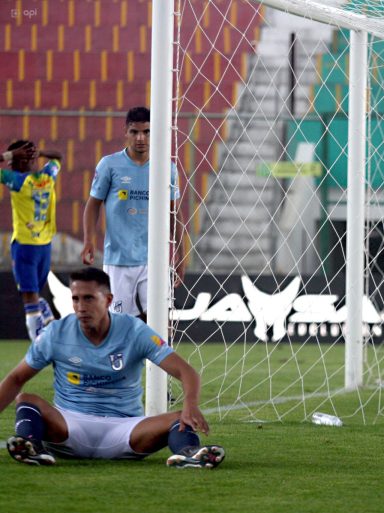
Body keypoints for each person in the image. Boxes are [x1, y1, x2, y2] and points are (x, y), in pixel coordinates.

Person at [0, 267, 224, 468]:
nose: (81, 307)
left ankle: (189, 454)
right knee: (26, 399)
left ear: (108, 300)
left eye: (89, 298)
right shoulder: (55, 333)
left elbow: (186, 371)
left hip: (126, 431)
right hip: (68, 426)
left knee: (177, 417)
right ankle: (30, 448)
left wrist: (190, 404)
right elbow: (16, 379)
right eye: (75, 299)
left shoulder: (135, 331)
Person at [80, 106, 185, 321]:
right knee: (117, 323)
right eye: (134, 132)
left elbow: (174, 212)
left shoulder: (167, 168)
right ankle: (123, 356)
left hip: (154, 260)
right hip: (119, 260)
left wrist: (181, 254)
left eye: (146, 132)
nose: (140, 138)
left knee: (158, 322)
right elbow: (93, 204)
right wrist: (88, 239)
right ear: (126, 132)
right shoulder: (110, 165)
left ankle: (151, 355)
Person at [1, 140, 62, 340]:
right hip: (45, 246)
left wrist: (11, 155)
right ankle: (46, 314)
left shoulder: (18, 182)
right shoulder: (48, 176)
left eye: (11, 162)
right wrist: (40, 152)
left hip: (25, 247)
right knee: (34, 292)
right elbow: (58, 157)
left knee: (28, 296)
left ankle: (39, 343)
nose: (8, 166)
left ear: (18, 161)